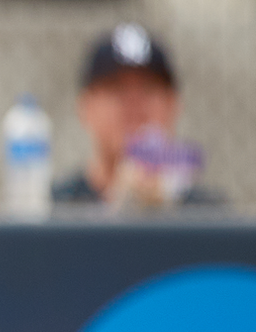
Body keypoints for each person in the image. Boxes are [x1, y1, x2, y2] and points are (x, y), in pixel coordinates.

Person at [53, 22, 215, 207]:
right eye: (116, 88)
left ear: (173, 104)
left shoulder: (210, 217)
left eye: (148, 89)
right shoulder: (52, 211)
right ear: (85, 106)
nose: (134, 103)